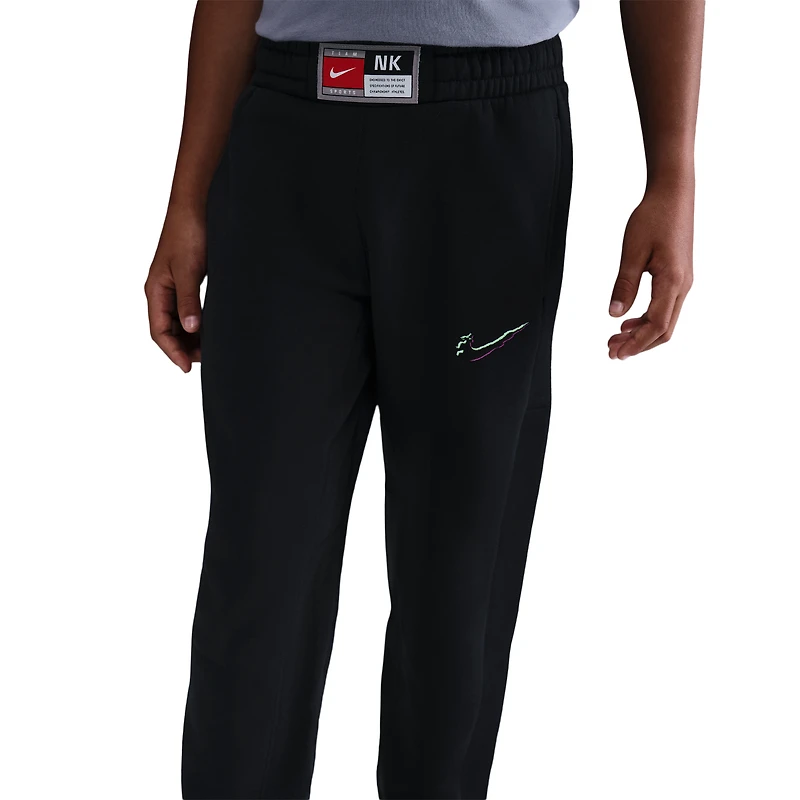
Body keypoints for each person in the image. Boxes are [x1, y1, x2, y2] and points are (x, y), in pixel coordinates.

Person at [145, 1, 704, 797]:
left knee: (458, 583)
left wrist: (673, 172)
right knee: (259, 570)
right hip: (286, 140)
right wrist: (187, 198)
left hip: (488, 146)